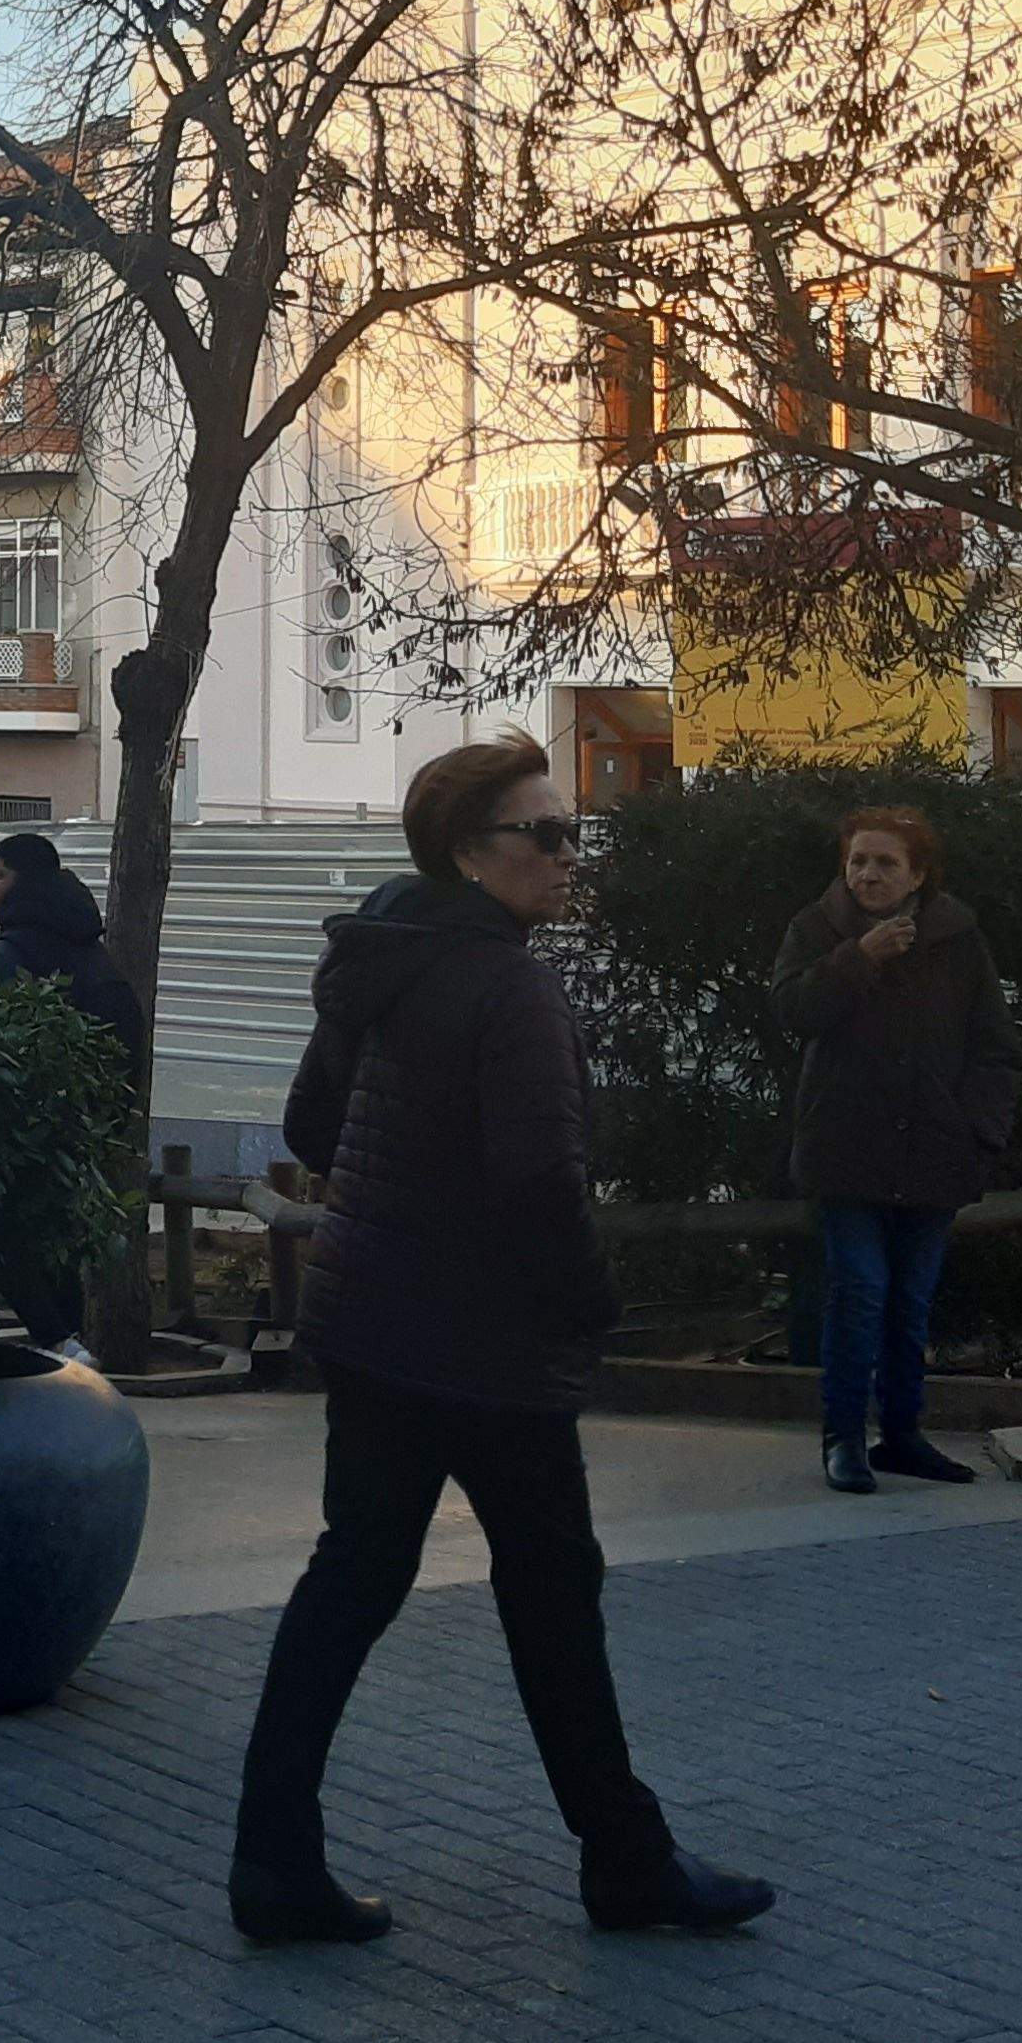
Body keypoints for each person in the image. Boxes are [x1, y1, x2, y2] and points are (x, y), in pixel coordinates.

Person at [229, 736, 771, 1948]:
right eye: (548, 835)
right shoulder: (509, 984)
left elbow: (314, 1120)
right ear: (470, 855)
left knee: (352, 1581)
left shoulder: (385, 960)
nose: (571, 857)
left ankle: (273, 1860)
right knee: (552, 1598)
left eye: (573, 832)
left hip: (368, 1321)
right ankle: (627, 1866)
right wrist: (589, 1309)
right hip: (482, 1346)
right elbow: (539, 1186)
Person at [769, 802, 1021, 1496]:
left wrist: (980, 1130)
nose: (868, 875)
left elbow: (994, 1046)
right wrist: (857, 958)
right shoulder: (816, 929)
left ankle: (903, 1435)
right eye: (858, 861)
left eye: (885, 863)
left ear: (917, 876)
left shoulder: (958, 937)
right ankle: (843, 1439)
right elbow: (793, 1011)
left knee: (910, 1302)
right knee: (860, 1294)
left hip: (936, 1153)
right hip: (845, 1152)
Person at [0, 834, 137, 1361]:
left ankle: (57, 1341)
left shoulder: (12, 954)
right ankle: (66, 1342)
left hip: (25, 1125)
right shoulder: (86, 946)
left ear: (23, 884)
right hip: (87, 1127)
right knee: (58, 1243)